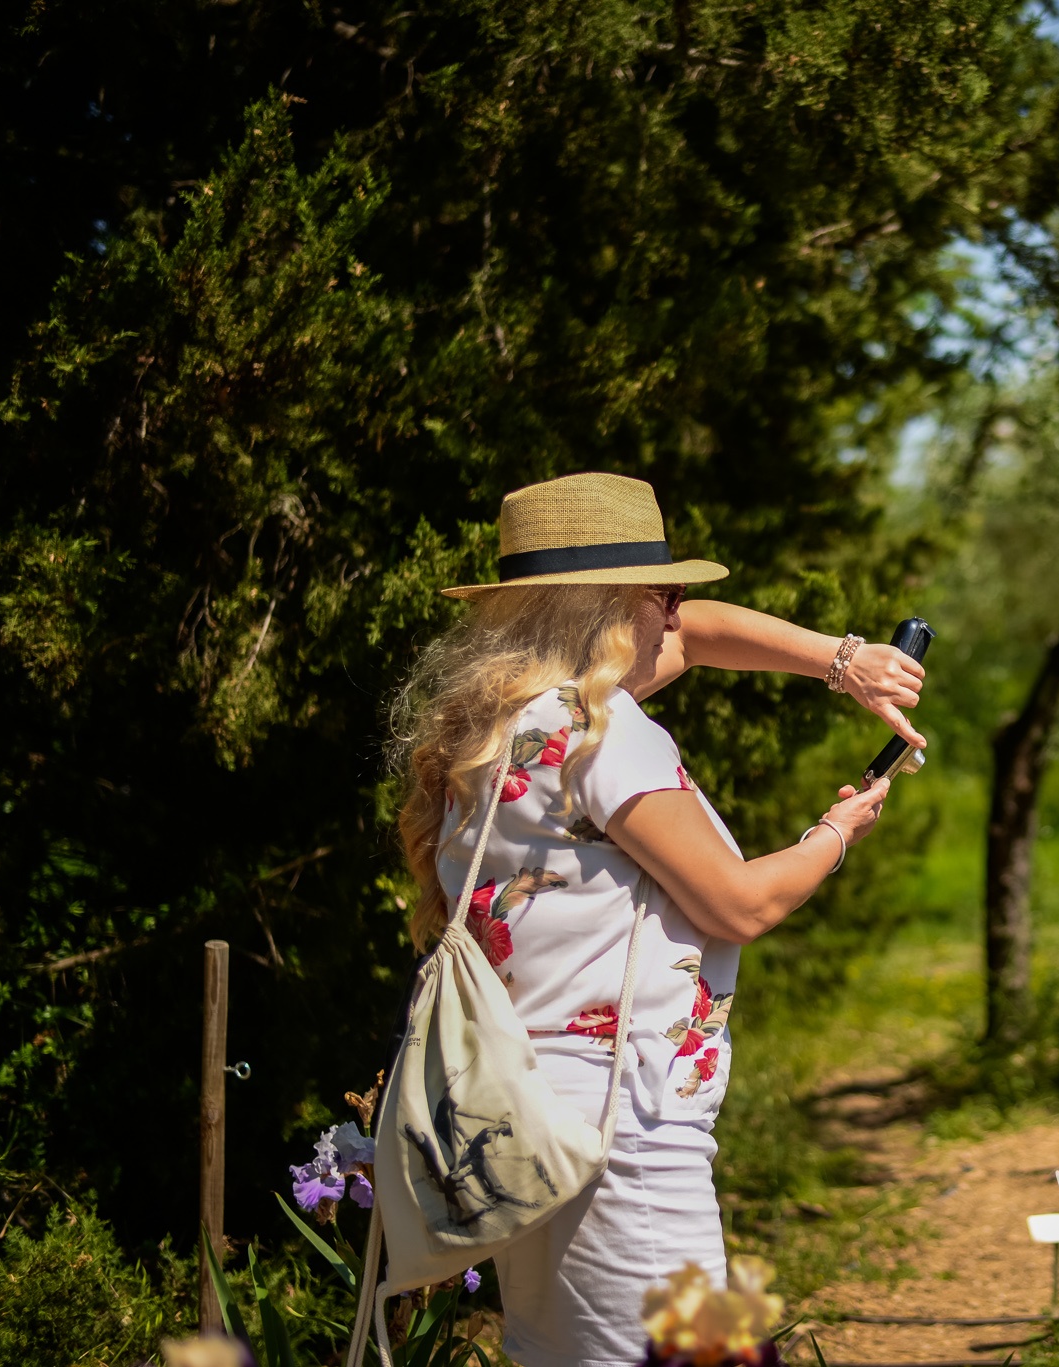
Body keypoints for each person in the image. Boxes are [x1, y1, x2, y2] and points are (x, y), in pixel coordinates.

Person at [391, 472, 922, 1367]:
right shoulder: (608, 730)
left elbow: (701, 641)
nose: (681, 615)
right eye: (666, 594)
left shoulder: (500, 727)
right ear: (607, 606)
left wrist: (846, 660)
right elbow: (741, 902)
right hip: (625, 1130)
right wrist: (836, 833)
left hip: (525, 1123)